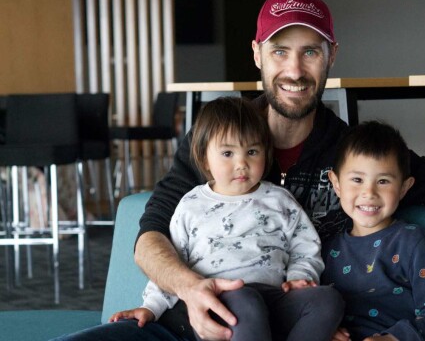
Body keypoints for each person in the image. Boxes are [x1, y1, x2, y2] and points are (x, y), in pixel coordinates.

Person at [55, 0, 425, 341]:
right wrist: (190, 292)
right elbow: (150, 235)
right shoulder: (214, 143)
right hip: (187, 319)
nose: (295, 70)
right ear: (258, 55)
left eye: (310, 53)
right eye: (280, 52)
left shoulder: (354, 158)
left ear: (331, 55)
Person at [55, 97, 344, 341]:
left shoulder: (280, 200)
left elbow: (306, 248)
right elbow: (173, 259)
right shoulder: (191, 204)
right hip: (222, 300)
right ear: (205, 159)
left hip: (275, 298)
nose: (242, 163)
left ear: (265, 154)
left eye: (252, 151)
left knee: (327, 300)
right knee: (245, 300)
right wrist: (152, 308)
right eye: (228, 153)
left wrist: (299, 278)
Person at [321, 121, 425, 341]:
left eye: (383, 181)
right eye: (357, 180)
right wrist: (324, 328)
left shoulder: (414, 242)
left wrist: (393, 338)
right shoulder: (326, 249)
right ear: (336, 184)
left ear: (404, 187)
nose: (369, 193)